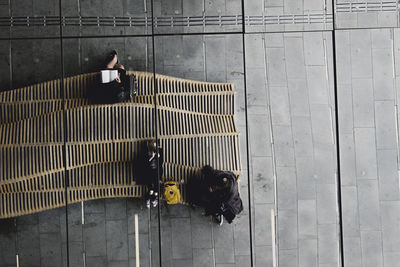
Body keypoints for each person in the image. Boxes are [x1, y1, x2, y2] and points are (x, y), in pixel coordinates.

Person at [134, 140, 163, 208]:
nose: (154, 147)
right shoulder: (146, 152)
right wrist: (152, 157)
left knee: (155, 191)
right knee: (152, 191)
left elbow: (161, 162)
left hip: (156, 171)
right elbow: (145, 163)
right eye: (153, 145)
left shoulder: (159, 151)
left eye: (155, 146)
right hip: (148, 170)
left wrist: (158, 157)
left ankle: (150, 199)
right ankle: (150, 199)